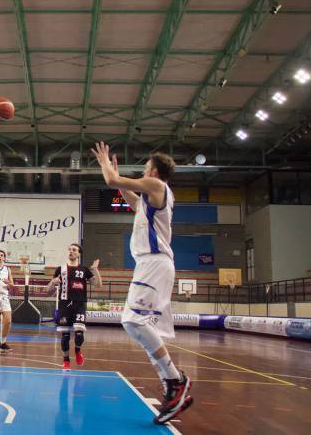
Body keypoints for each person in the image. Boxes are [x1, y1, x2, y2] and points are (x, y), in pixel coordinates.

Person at [92, 142, 191, 424]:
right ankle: (173, 381)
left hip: (155, 261)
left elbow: (111, 181)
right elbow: (127, 194)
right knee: (133, 322)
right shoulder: (150, 198)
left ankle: (175, 380)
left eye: (146, 167)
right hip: (149, 264)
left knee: (133, 321)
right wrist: (118, 176)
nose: (143, 171)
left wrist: (105, 165)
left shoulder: (157, 185)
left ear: (154, 170)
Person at [45, 243, 102, 370]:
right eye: (70, 249)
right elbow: (48, 290)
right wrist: (52, 282)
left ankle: (77, 351)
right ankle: (66, 360)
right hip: (65, 305)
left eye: (74, 250)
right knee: (65, 336)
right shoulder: (61, 269)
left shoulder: (84, 270)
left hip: (80, 304)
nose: (71, 251)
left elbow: (98, 284)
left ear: (79, 253)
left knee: (79, 334)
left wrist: (95, 270)